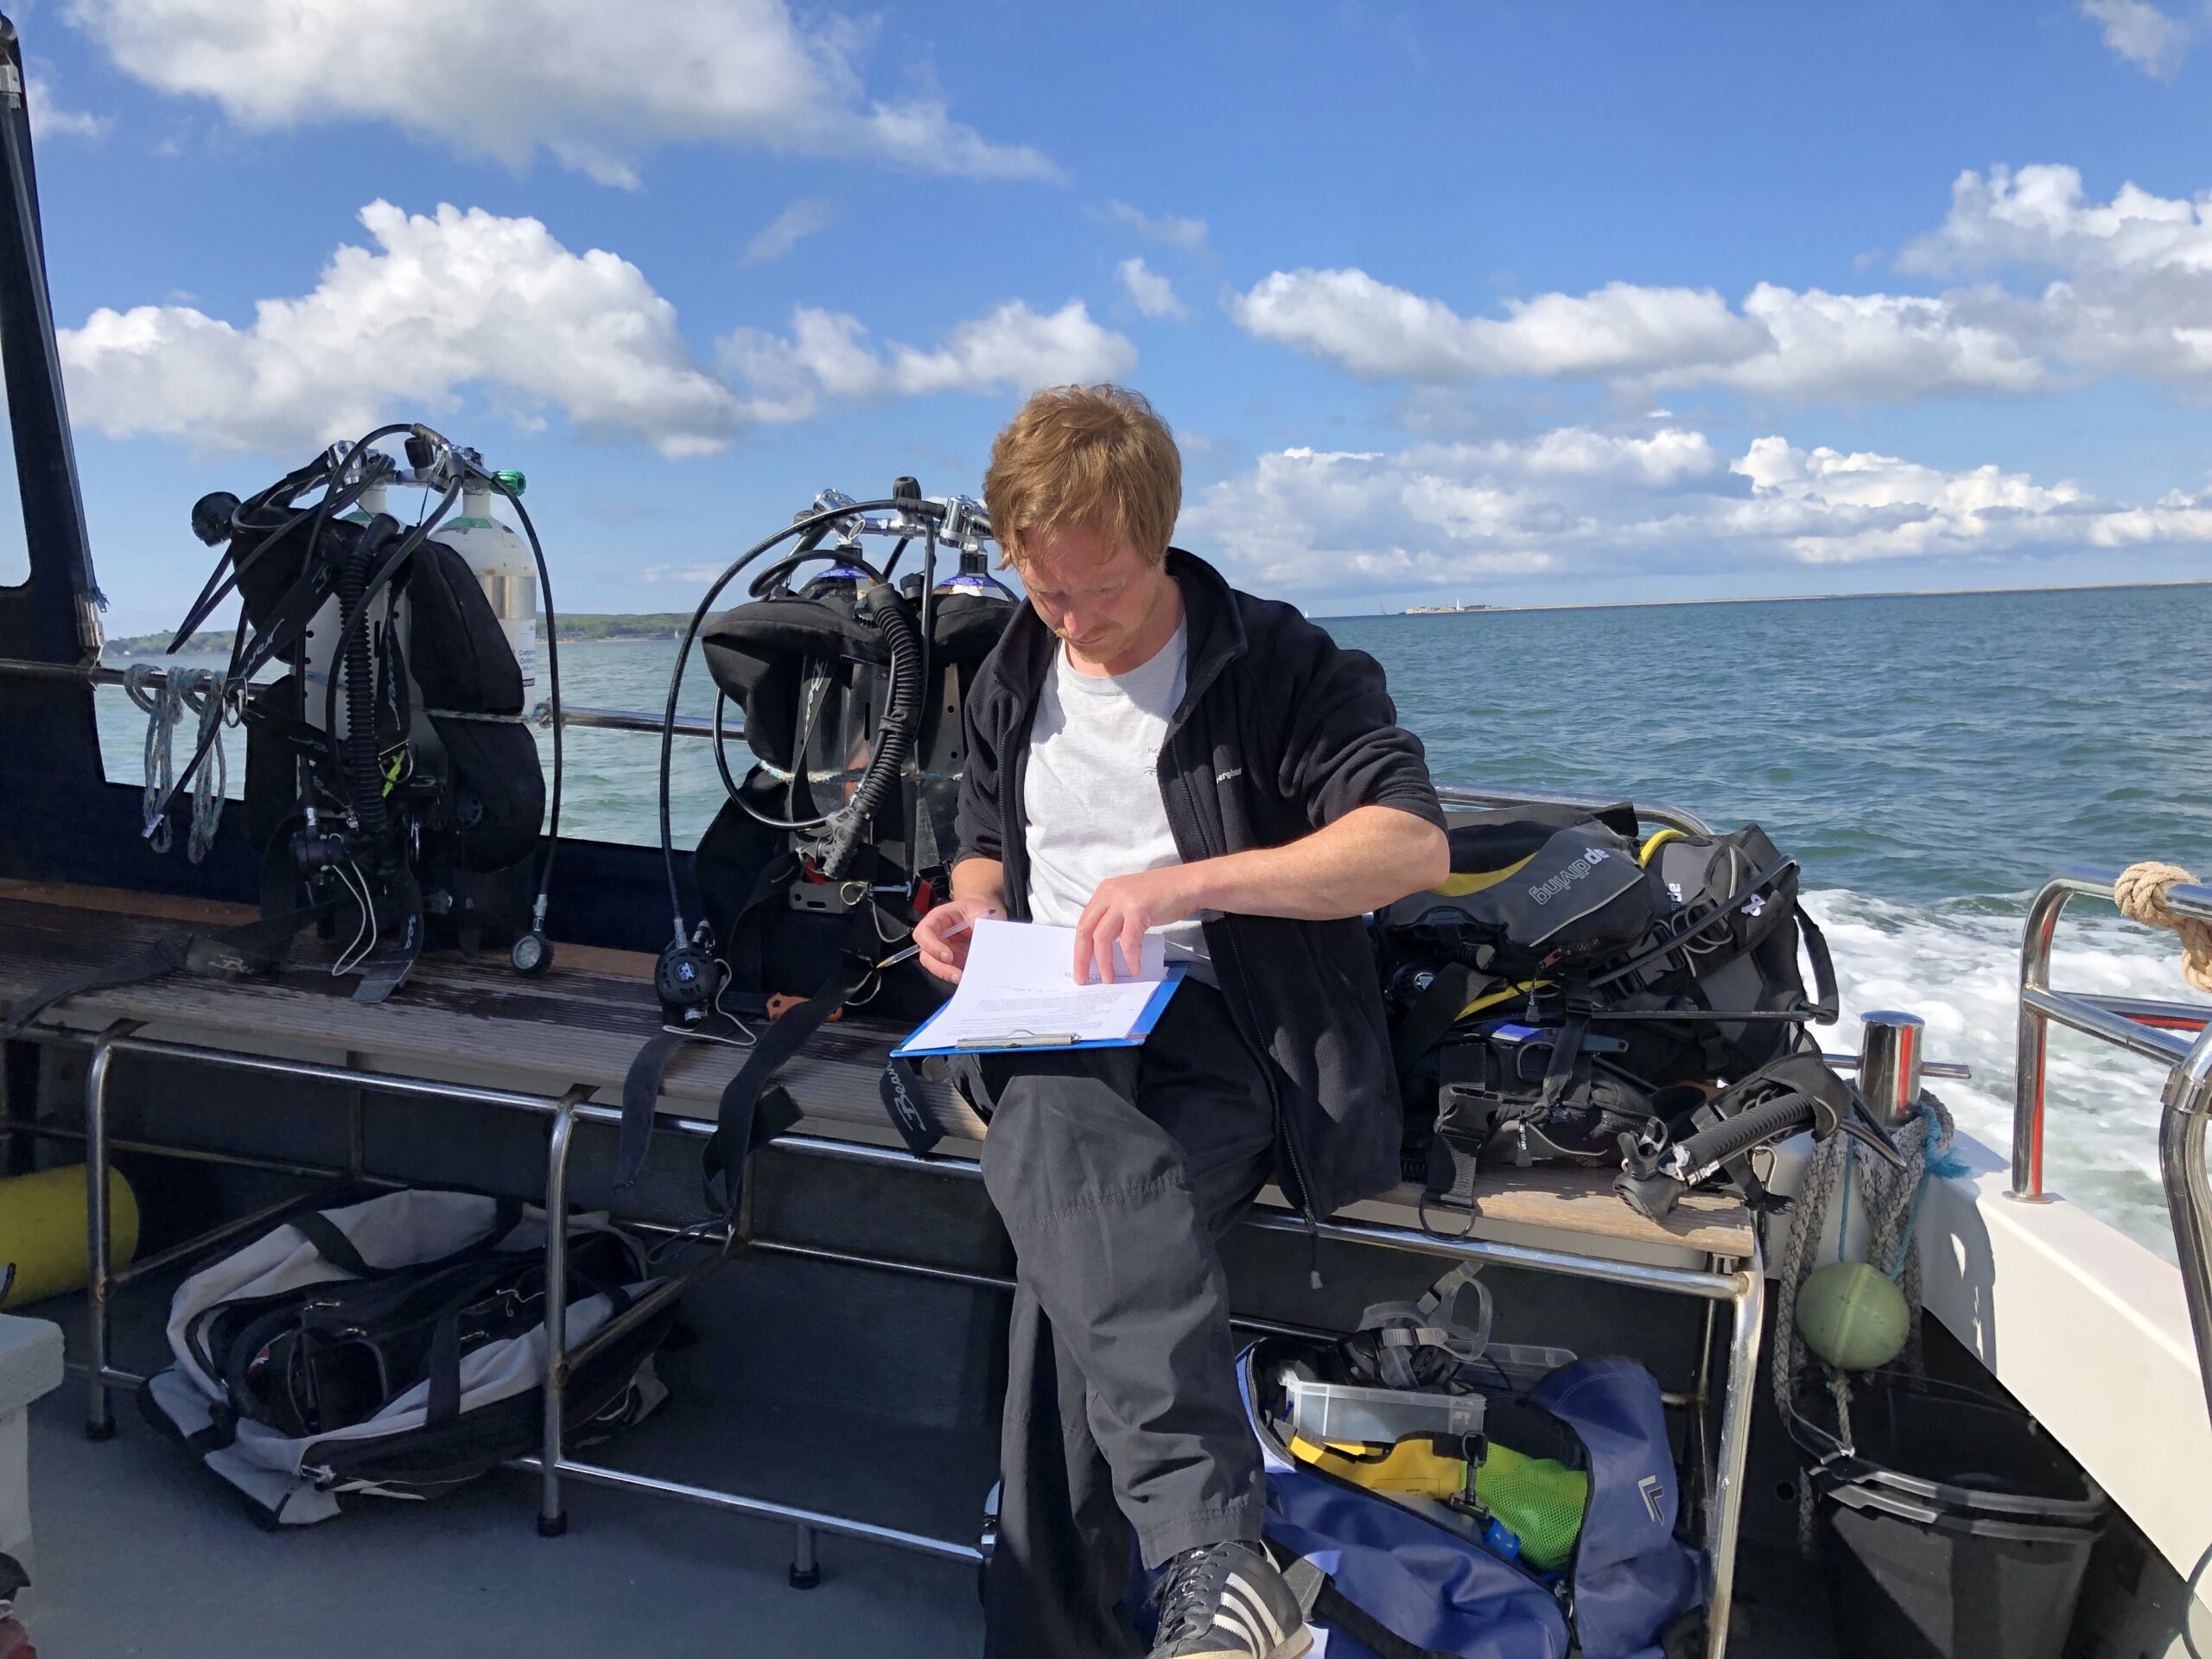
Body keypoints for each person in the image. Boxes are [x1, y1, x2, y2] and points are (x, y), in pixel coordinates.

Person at [912, 385, 1449, 1659]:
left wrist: (1184, 885)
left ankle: (1114, 1603)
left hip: (1231, 1028)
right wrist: (971, 917)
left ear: (1163, 537)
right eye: (1046, 594)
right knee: (1065, 1153)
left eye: (1100, 592)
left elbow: (1410, 846)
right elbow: (984, 843)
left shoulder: (1278, 664)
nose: (1075, 624)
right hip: (1057, 1016)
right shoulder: (1013, 665)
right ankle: (1212, 1563)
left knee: (1064, 1212)